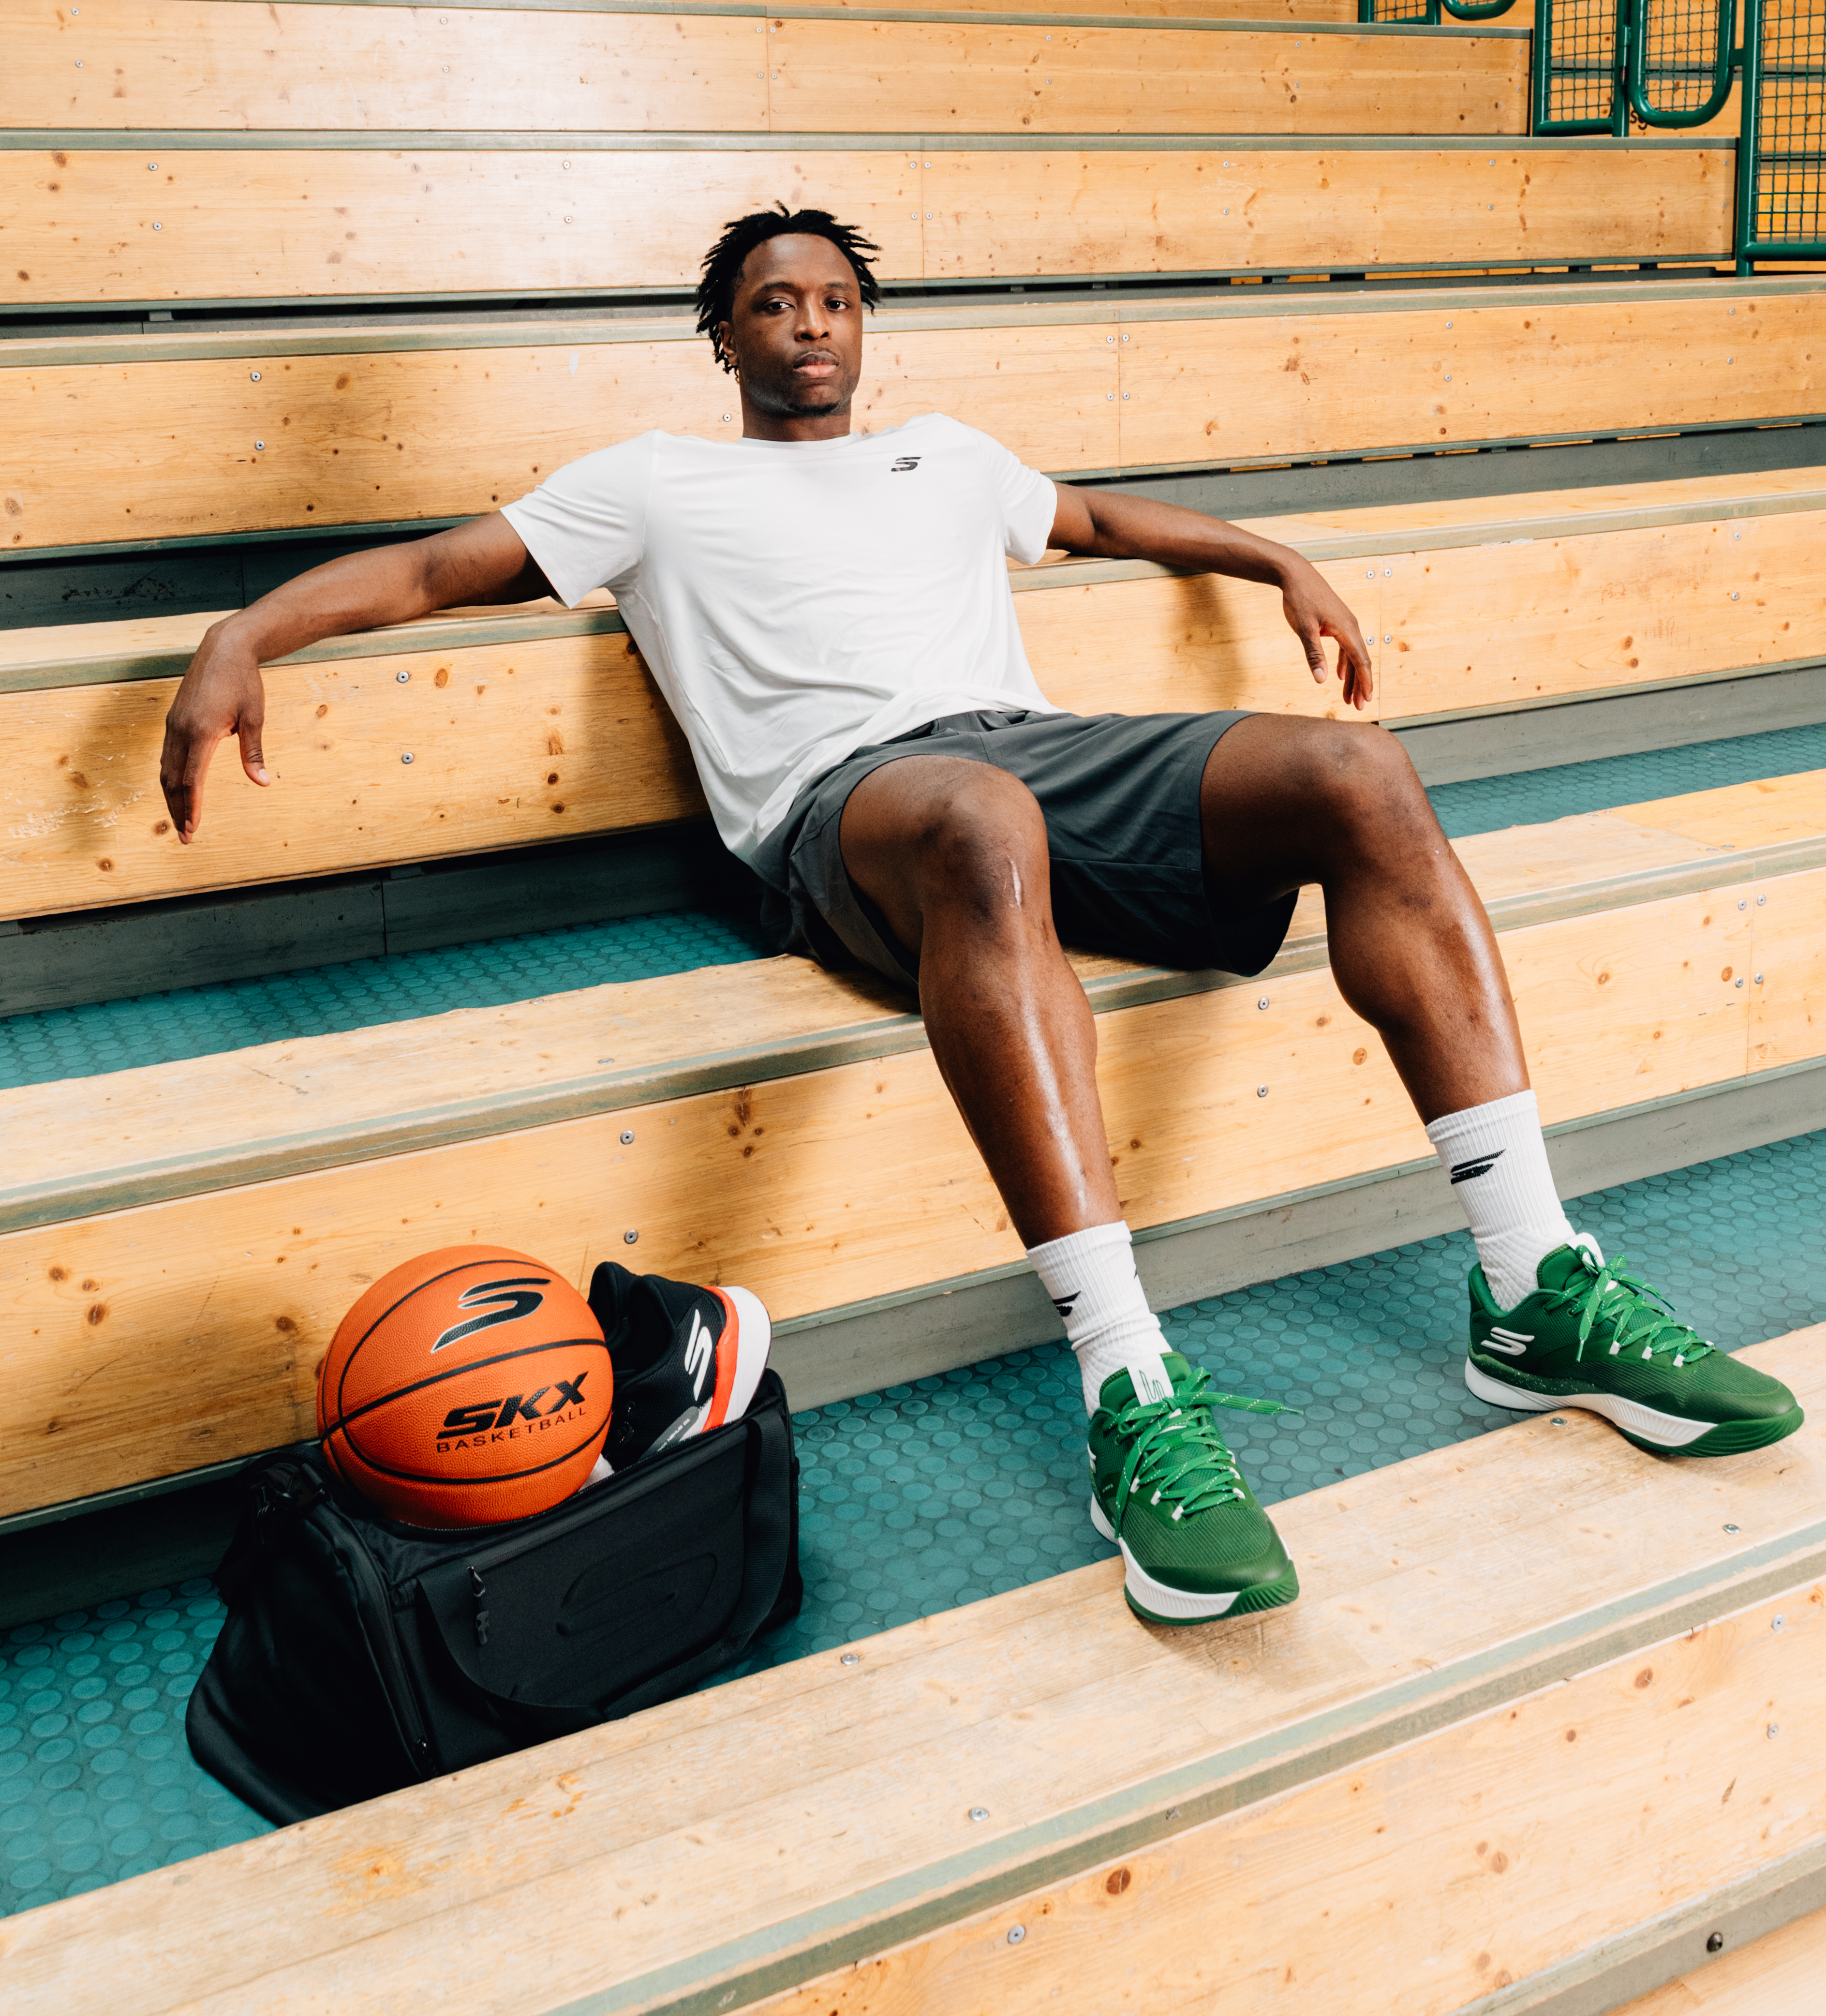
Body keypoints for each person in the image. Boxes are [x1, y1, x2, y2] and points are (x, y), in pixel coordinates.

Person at [159, 205, 1803, 1629]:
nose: (810, 324)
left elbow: (1102, 520)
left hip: (1033, 765)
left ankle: (1532, 1284)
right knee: (978, 811)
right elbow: (443, 574)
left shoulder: (947, 456)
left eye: (835, 301)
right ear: (722, 339)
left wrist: (1274, 557)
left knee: (1355, 774)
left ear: (866, 324)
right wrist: (249, 629)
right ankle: (1131, 1386)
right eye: (774, 305)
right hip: (853, 808)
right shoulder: (649, 485)